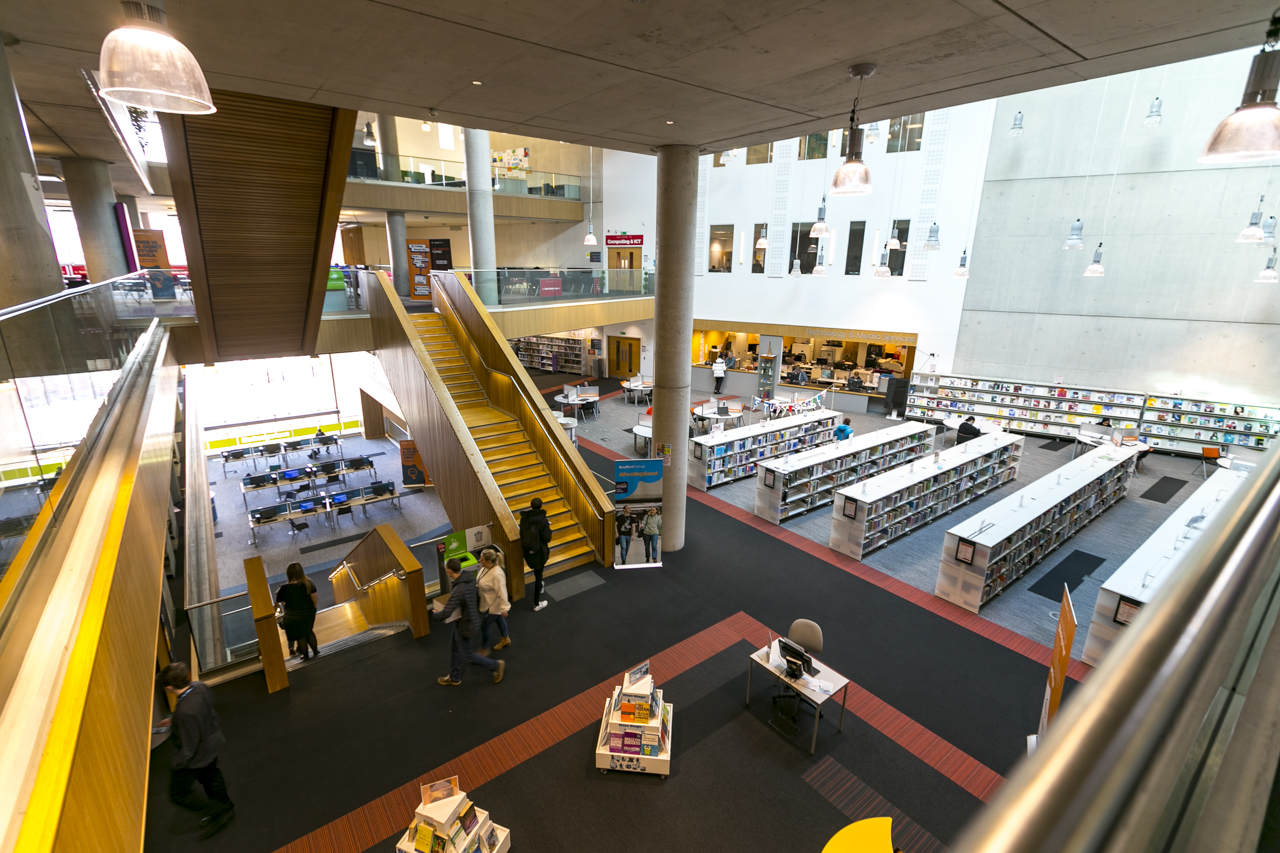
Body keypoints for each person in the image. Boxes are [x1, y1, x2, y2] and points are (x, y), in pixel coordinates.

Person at [160, 662, 235, 838]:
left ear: (169, 687)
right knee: (212, 777)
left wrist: (177, 764)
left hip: (198, 755)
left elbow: (189, 747)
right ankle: (226, 806)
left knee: (178, 793)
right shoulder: (199, 687)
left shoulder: (184, 712)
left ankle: (215, 810)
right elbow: (200, 711)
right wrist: (174, 720)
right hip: (212, 742)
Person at [434, 558, 505, 685]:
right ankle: (455, 676)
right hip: (469, 619)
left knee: (468, 655)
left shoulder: (458, 590)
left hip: (465, 625)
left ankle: (495, 665)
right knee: (454, 647)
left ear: (449, 571)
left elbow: (446, 613)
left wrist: (435, 615)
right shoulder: (469, 578)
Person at [275, 562, 319, 659]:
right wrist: (312, 609)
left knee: (300, 636)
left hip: (293, 616)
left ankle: (305, 655)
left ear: (288, 574)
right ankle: (316, 652)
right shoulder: (309, 583)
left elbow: (277, 602)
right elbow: (314, 599)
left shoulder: (284, 589)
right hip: (308, 612)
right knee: (308, 631)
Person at [476, 548, 511, 656]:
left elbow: (503, 592)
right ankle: (506, 638)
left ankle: (485, 648)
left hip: (493, 606)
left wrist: (504, 609)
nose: (479, 561)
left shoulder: (497, 574)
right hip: (486, 601)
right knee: (499, 619)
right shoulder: (485, 567)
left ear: (489, 561)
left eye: (482, 560)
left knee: (484, 626)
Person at [520, 497, 552, 611]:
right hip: (539, 551)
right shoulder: (543, 520)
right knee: (539, 575)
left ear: (530, 506)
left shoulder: (524, 519)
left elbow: (521, 533)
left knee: (537, 571)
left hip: (527, 550)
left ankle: (540, 585)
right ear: (541, 507)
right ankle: (536, 603)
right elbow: (547, 538)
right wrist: (548, 527)